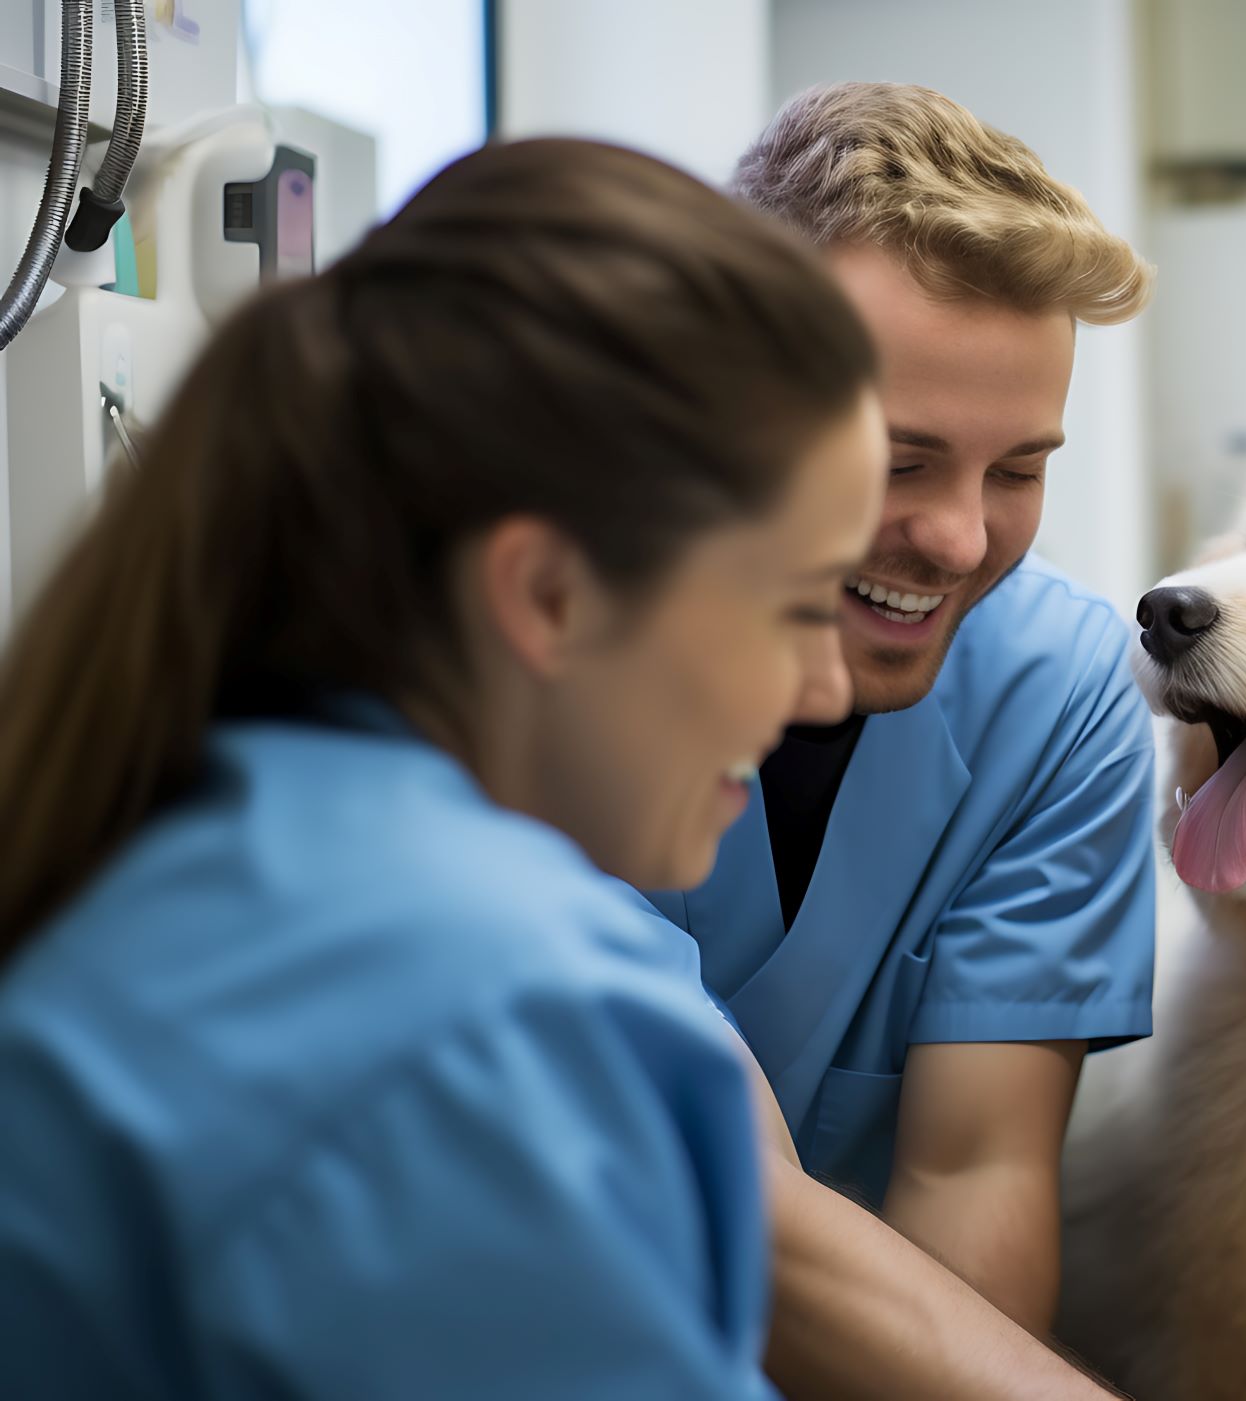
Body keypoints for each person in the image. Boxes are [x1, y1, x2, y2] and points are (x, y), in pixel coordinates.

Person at [0, 139, 884, 1395]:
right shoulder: (495, 1020)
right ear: (551, 594)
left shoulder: (192, 824)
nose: (827, 686)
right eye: (799, 606)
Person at [641, 81, 1158, 1333]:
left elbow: (973, 1172)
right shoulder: (562, 670)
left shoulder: (1053, 697)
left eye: (1020, 469)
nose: (962, 538)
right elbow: (720, 1176)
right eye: (899, 460)